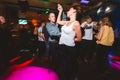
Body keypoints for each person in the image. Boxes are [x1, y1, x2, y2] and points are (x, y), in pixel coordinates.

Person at [57, 4, 82, 80]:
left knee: (69, 66)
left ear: (74, 11)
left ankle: (70, 76)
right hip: (61, 46)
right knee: (63, 64)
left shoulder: (76, 23)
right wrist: (60, 11)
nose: (67, 11)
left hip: (69, 48)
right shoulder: (67, 22)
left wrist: (71, 39)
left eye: (69, 9)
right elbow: (58, 21)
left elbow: (79, 39)